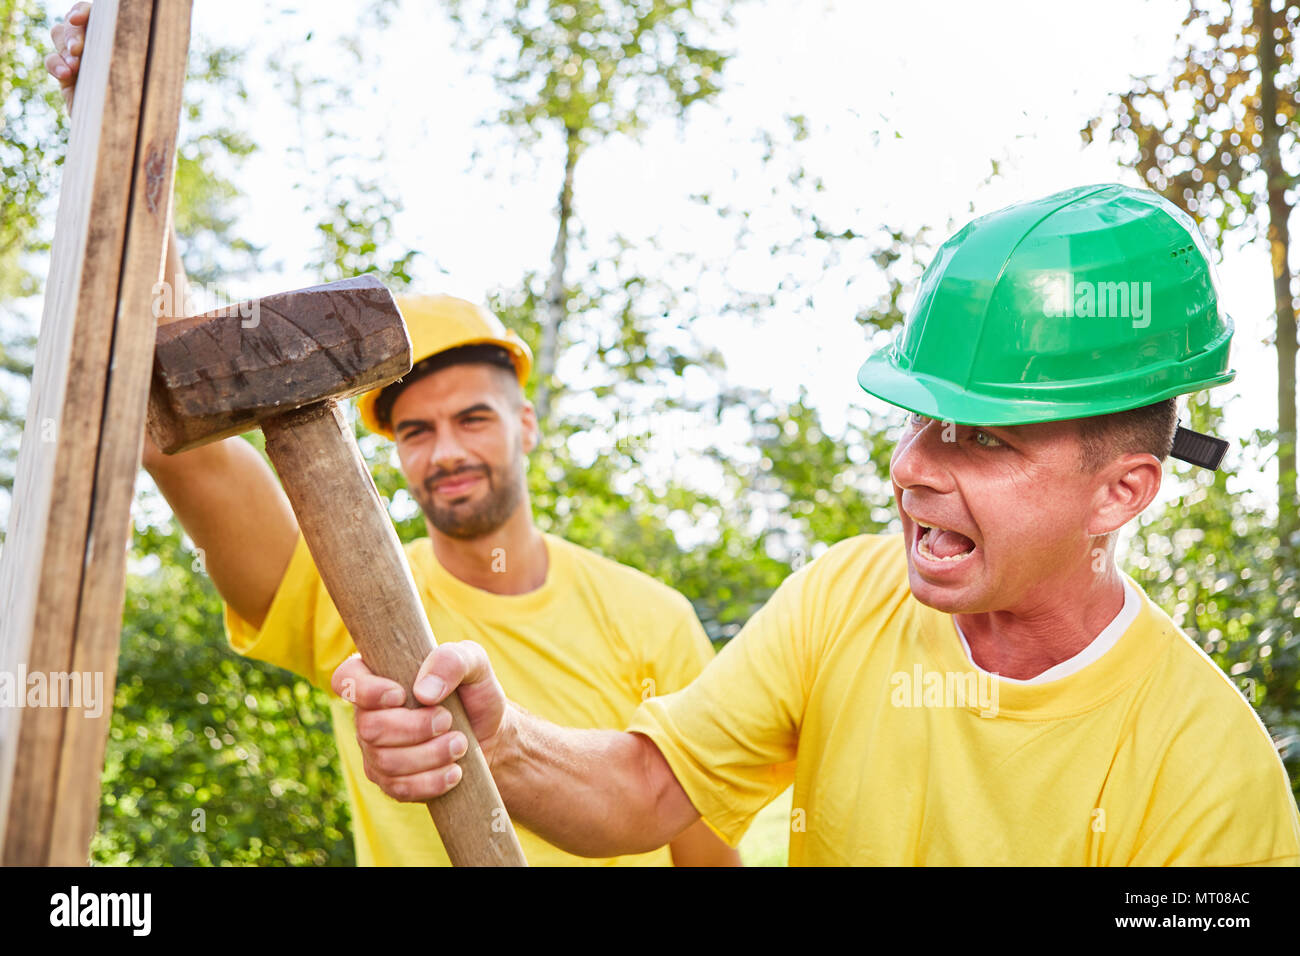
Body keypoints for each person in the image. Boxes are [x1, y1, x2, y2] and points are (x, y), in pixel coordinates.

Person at [338, 184, 1300, 865]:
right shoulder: (848, 594)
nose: (913, 466)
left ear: (1122, 493)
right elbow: (649, 793)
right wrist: (496, 742)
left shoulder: (1213, 782)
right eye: (923, 420)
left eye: (987, 442)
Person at [46, 2, 739, 867]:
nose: (445, 449)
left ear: (526, 425)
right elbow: (163, 422)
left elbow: (707, 846)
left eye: (472, 418)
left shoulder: (652, 618)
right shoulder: (355, 593)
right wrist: (122, 130)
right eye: (415, 429)